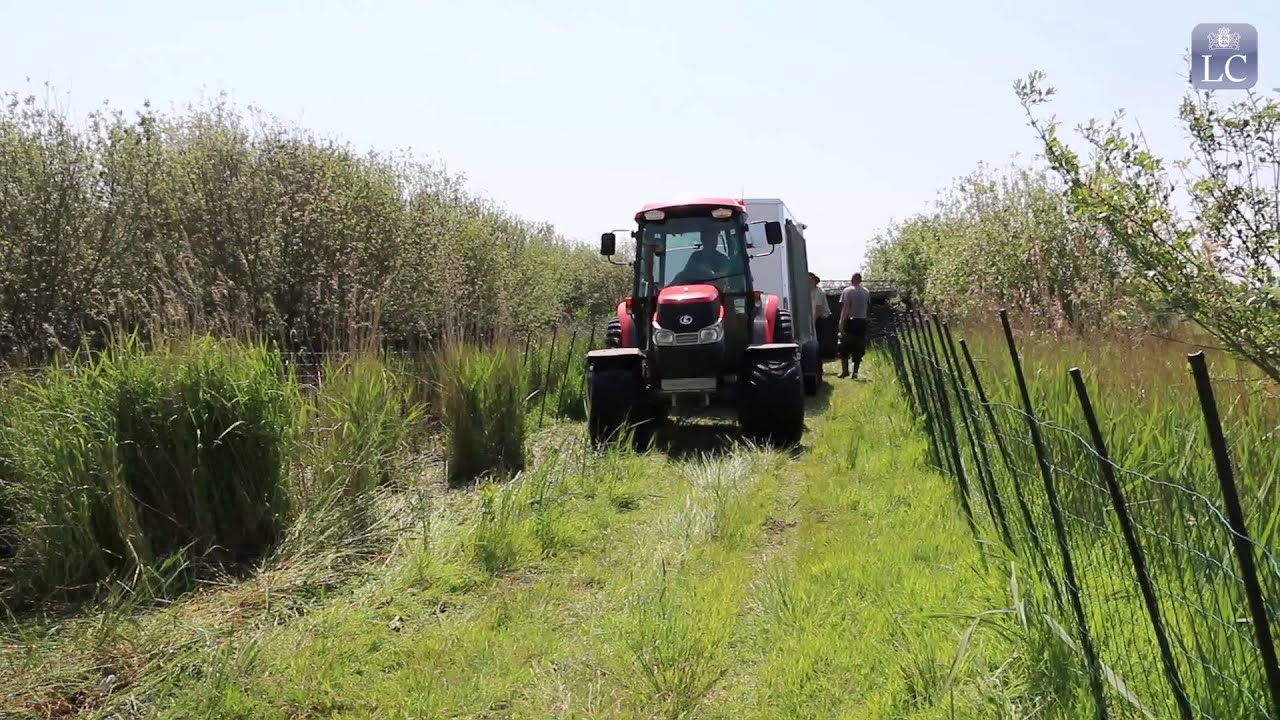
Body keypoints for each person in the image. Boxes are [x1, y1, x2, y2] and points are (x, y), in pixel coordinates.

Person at [837, 272, 871, 378]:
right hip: (862, 322)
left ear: (852, 279)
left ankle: (845, 371)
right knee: (858, 347)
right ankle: (855, 372)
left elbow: (846, 308)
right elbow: (868, 307)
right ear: (860, 280)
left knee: (844, 346)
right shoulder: (866, 291)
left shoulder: (848, 291)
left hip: (850, 321)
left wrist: (841, 323)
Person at [809, 272, 832, 353]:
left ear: (815, 281)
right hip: (813, 319)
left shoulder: (819, 292)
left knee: (818, 340)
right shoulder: (809, 292)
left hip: (820, 319)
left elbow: (818, 309)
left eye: (811, 280)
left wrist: (812, 323)